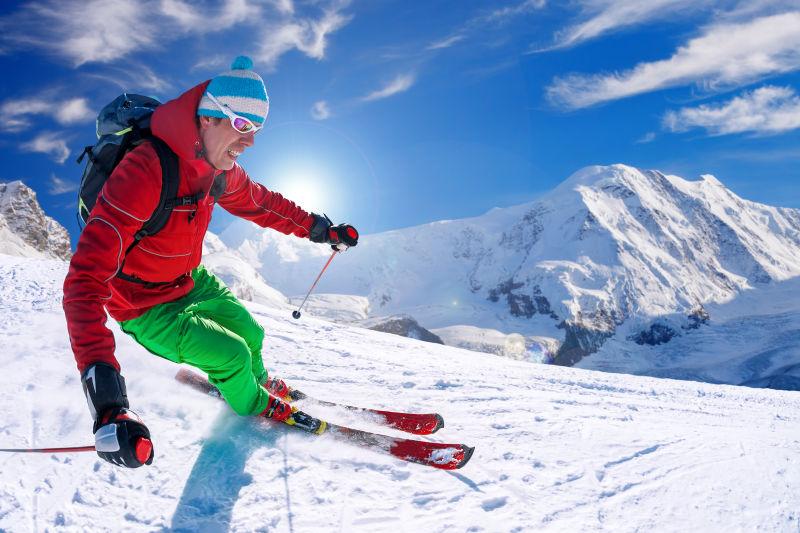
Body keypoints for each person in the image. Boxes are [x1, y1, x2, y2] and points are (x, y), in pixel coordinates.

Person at [63, 56, 358, 469]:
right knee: (233, 354)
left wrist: (321, 230)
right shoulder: (145, 170)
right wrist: (108, 403)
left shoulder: (218, 168)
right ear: (208, 118)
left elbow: (263, 203)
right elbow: (84, 281)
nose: (250, 141)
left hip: (189, 280)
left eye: (256, 130)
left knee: (251, 334)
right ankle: (253, 403)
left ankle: (252, 385)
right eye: (241, 126)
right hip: (144, 305)